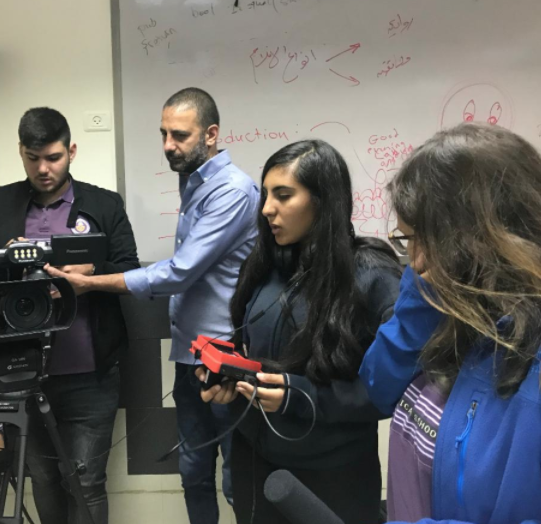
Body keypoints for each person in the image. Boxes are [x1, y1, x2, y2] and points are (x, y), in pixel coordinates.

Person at [46, 87, 259, 524]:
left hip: (229, 360)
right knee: (193, 472)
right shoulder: (195, 180)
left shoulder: (232, 191)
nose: (167, 145)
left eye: (179, 135)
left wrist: (91, 282)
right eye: (163, 133)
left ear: (211, 134)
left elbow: (181, 272)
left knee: (239, 481)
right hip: (190, 355)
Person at [196, 140, 402, 524]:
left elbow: (389, 391)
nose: (266, 208)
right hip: (254, 462)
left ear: (323, 201)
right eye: (266, 194)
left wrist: (304, 397)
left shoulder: (372, 274)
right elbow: (249, 345)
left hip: (331, 474)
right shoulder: (264, 265)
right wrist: (228, 374)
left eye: (283, 195)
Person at [360, 123, 541, 524]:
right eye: (408, 241)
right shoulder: (448, 308)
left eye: (427, 239)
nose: (417, 262)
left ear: (488, 236)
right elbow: (377, 386)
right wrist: (418, 301)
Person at [0, 107, 140, 524]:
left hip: (90, 373)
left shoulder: (103, 204)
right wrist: (7, 264)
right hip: (20, 370)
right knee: (42, 477)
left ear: (72, 152)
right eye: (33, 158)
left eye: (53, 157)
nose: (43, 168)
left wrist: (91, 278)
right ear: (20, 153)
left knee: (85, 481)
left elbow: (133, 272)